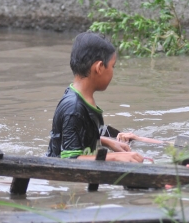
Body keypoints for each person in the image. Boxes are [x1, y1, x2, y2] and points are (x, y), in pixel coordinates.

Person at [46, 32, 143, 163]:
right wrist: (115, 157)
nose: (113, 72)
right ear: (99, 67)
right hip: (62, 176)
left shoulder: (83, 100)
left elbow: (81, 134)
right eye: (112, 66)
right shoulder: (74, 109)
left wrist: (107, 142)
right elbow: (70, 160)